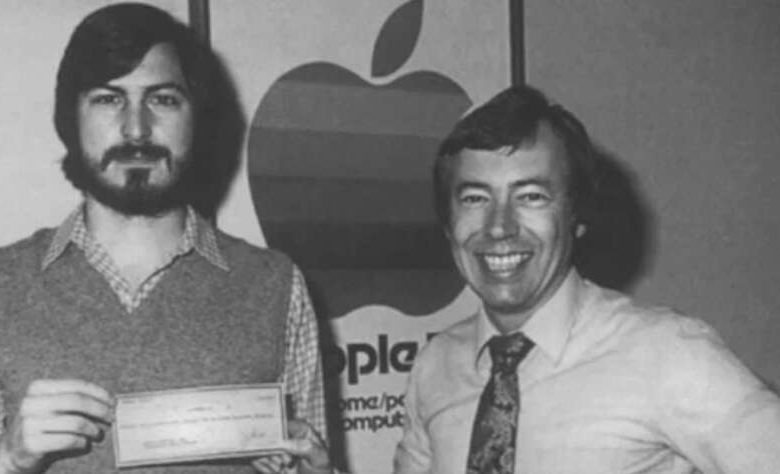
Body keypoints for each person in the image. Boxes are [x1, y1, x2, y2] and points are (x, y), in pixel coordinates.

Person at [258, 85, 780, 474]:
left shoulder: (668, 353)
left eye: (531, 196)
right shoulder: (436, 364)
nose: (499, 227)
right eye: (475, 198)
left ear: (575, 215)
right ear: (448, 223)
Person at [0, 4, 325, 473]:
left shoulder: (275, 286)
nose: (136, 129)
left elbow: (307, 460)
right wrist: (5, 459)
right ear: (70, 118)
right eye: (108, 98)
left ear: (197, 118)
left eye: (163, 99)